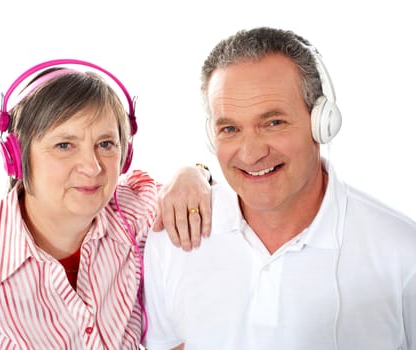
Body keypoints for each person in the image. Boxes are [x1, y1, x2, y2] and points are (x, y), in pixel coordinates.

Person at [143, 27, 416, 349]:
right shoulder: (173, 238)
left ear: (322, 122)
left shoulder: (403, 252)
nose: (251, 153)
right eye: (230, 128)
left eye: (273, 123)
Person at [0, 59, 212, 349]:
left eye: (105, 144)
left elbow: (207, 196)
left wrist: (195, 173)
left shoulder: (135, 212)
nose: (92, 168)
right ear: (16, 157)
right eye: (64, 145)